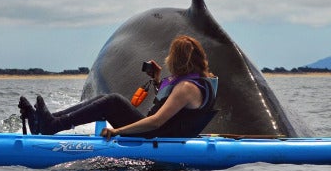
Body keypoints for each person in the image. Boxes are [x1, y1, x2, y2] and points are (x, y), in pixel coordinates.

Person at [18, 35, 218, 139]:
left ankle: (51, 125)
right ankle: (49, 121)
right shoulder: (194, 83)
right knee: (105, 100)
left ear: (178, 60)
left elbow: (157, 121)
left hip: (155, 135)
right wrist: (158, 81)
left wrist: (117, 131)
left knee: (113, 101)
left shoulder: (186, 88)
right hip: (162, 132)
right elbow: (174, 109)